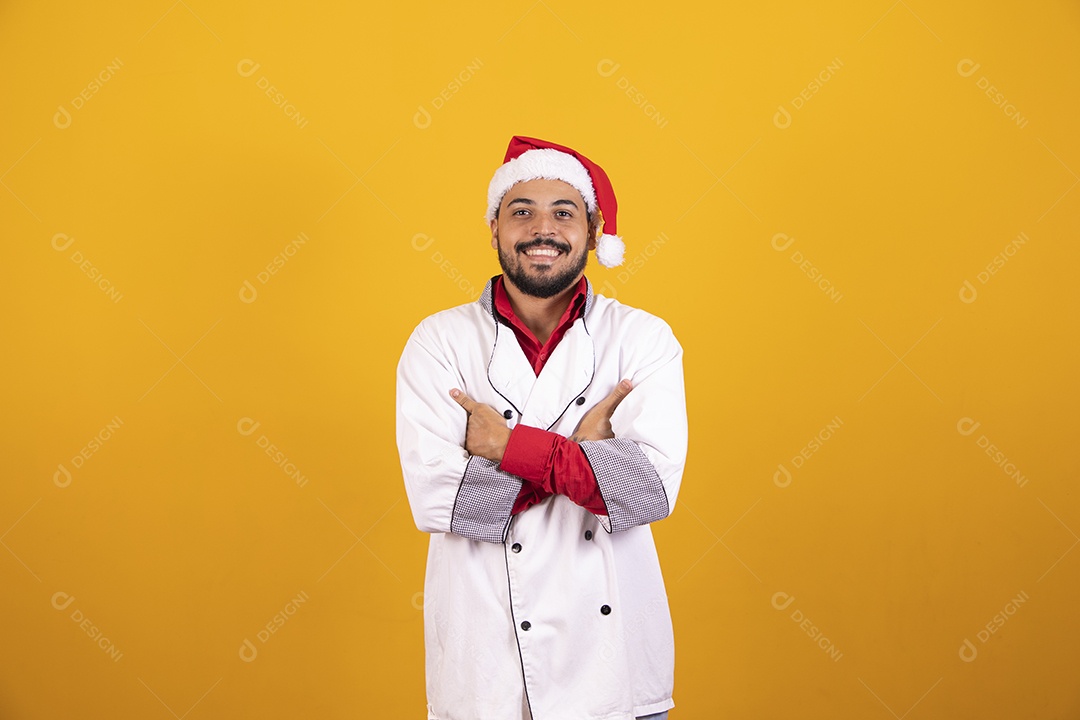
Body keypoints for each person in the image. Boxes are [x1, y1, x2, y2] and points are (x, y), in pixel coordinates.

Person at [396, 135, 688, 720]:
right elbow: (445, 503)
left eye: (563, 212)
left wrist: (508, 448)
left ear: (591, 229)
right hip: (486, 664)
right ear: (495, 227)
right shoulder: (439, 341)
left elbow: (647, 492)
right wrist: (586, 461)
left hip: (614, 667)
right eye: (521, 211)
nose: (542, 229)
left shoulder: (642, 338)